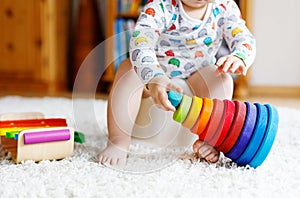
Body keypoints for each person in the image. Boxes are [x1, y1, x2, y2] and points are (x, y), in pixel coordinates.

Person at [99, 0, 256, 166]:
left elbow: (244, 38)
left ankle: (209, 140)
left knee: (223, 79)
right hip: (154, 71)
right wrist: (154, 77)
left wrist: (239, 57)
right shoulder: (160, 6)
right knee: (127, 70)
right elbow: (141, 43)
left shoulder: (225, 7)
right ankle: (118, 141)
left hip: (198, 72)